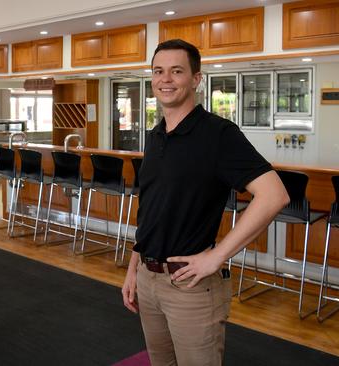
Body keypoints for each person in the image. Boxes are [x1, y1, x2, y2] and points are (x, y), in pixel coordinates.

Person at [121, 39, 290, 366]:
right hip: (148, 276)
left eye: (176, 71)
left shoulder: (218, 134)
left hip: (191, 286)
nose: (165, 79)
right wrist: (133, 268)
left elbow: (274, 195)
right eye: (158, 71)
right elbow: (151, 209)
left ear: (196, 79)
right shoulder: (155, 136)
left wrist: (217, 256)